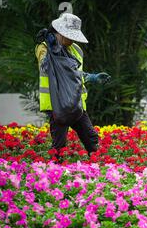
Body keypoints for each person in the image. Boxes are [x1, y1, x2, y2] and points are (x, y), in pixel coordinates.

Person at [35, 13, 111, 162]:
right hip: (57, 105)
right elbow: (47, 68)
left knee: (91, 138)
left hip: (76, 104)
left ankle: (101, 168)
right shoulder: (43, 48)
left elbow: (74, 74)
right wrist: (53, 50)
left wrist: (92, 77)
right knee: (59, 146)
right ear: (59, 33)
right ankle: (54, 173)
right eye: (69, 36)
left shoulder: (76, 50)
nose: (72, 40)